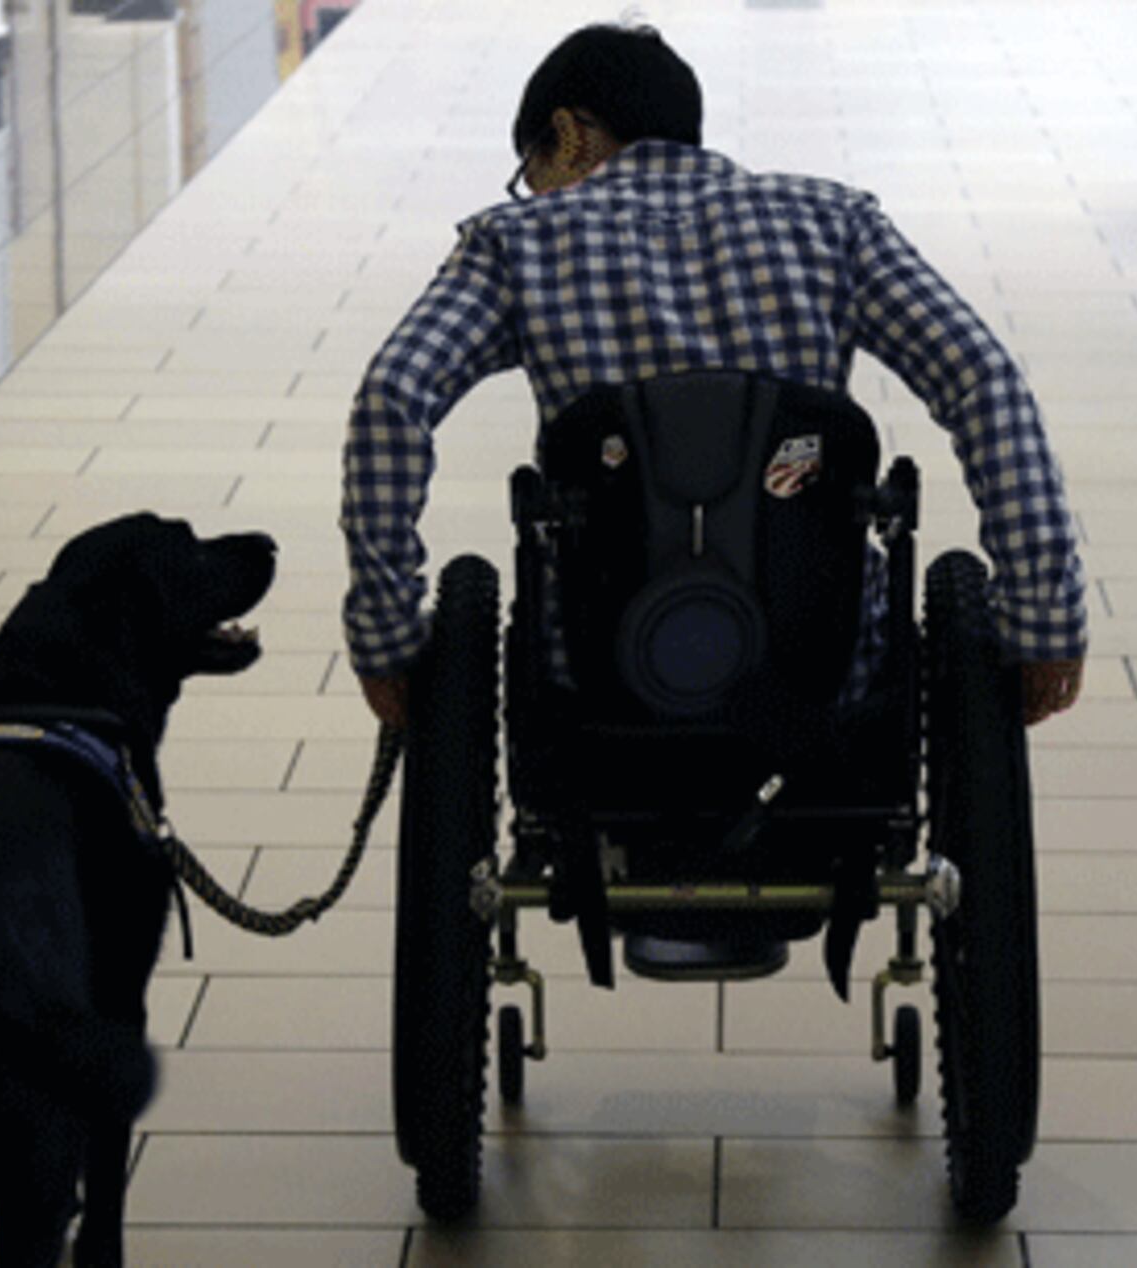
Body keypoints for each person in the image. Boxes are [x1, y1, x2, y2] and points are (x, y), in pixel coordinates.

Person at [342, 22, 1091, 975]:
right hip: (824, 676)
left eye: (530, 164)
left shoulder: (514, 245)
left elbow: (391, 400)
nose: (529, 189)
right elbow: (984, 384)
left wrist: (389, 634)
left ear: (568, 136)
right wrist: (1042, 614)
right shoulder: (835, 223)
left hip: (596, 683)